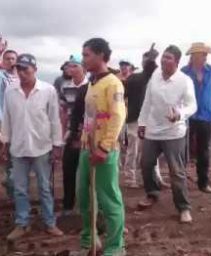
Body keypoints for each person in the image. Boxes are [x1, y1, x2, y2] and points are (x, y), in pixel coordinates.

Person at [2, 54, 63, 241]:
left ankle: (49, 223)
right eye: (19, 69)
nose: (22, 73)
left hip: (41, 147)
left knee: (44, 187)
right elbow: (7, 120)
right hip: (18, 148)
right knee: (20, 188)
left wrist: (57, 145)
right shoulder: (10, 92)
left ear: (34, 70)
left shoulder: (48, 90)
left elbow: (54, 119)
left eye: (25, 69)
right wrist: (4, 143)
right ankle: (22, 223)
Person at [137, 45, 197, 223]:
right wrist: (142, 123)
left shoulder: (184, 81)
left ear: (176, 62)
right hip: (153, 130)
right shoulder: (155, 76)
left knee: (176, 172)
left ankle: (183, 207)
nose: (164, 60)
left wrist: (180, 114)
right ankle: (152, 193)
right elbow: (148, 101)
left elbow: (192, 105)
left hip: (174, 132)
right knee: (146, 164)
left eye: (168, 57)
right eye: (163, 56)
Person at [78, 38, 126, 256]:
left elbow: (118, 117)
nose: (83, 59)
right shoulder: (92, 82)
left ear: (100, 55)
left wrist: (104, 148)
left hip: (104, 150)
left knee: (108, 198)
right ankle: (90, 241)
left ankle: (115, 247)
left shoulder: (113, 83)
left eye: (86, 54)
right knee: (84, 196)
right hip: (87, 147)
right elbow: (90, 116)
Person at [182, 42, 211, 194]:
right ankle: (181, 183)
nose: (205, 56)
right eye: (202, 54)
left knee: (204, 151)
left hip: (205, 115)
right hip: (187, 116)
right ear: (194, 56)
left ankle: (203, 183)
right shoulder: (184, 72)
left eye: (205, 54)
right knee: (183, 150)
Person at [124, 44, 168, 188]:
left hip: (152, 120)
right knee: (133, 150)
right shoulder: (133, 79)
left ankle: (155, 178)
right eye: (146, 60)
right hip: (135, 119)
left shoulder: (156, 78)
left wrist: (152, 58)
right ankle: (131, 179)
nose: (147, 63)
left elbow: (153, 70)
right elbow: (123, 97)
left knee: (151, 150)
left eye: (148, 60)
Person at [62, 54, 88, 215]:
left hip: (88, 133)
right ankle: (68, 205)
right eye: (69, 66)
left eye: (75, 66)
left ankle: (88, 206)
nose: (71, 69)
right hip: (71, 133)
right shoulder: (64, 86)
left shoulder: (93, 85)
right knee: (68, 169)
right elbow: (64, 112)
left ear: (83, 68)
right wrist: (63, 133)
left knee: (88, 173)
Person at [0, 49, 19, 198]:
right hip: (5, 123)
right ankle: (13, 194)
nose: (11, 61)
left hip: (21, 124)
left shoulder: (22, 77)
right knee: (10, 159)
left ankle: (12, 186)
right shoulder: (1, 77)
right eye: (7, 59)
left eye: (13, 59)